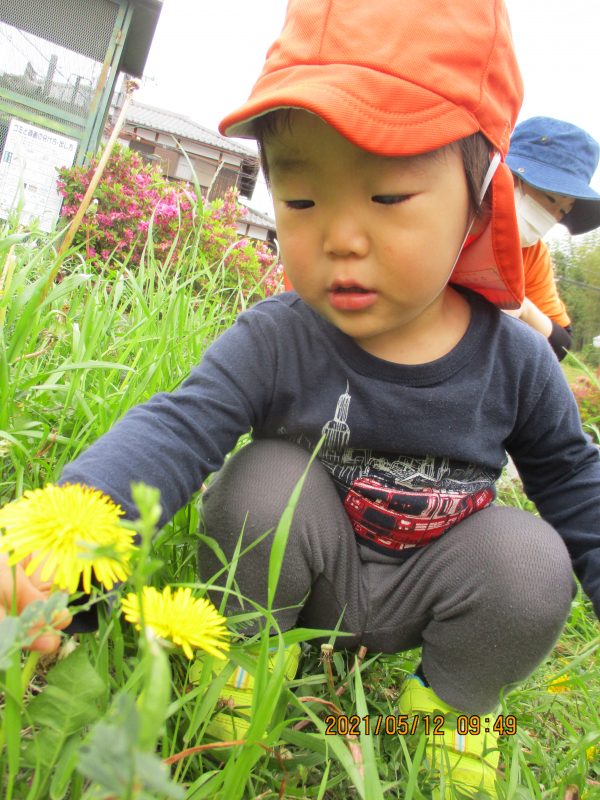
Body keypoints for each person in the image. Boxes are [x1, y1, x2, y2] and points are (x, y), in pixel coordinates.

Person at [1, 0, 599, 797]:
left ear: (480, 198)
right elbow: (181, 425)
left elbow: (575, 484)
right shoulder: (278, 336)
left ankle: (449, 710)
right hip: (305, 574)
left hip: (433, 582)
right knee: (262, 479)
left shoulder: (517, 358)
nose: (339, 237)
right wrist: (64, 533)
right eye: (302, 200)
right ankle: (249, 667)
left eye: (388, 198)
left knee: (532, 561)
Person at [506, 116, 600, 360]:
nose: (551, 217)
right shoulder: (448, 219)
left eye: (562, 211)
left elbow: (561, 343)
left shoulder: (531, 254)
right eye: (549, 198)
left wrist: (522, 306)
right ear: (509, 177)